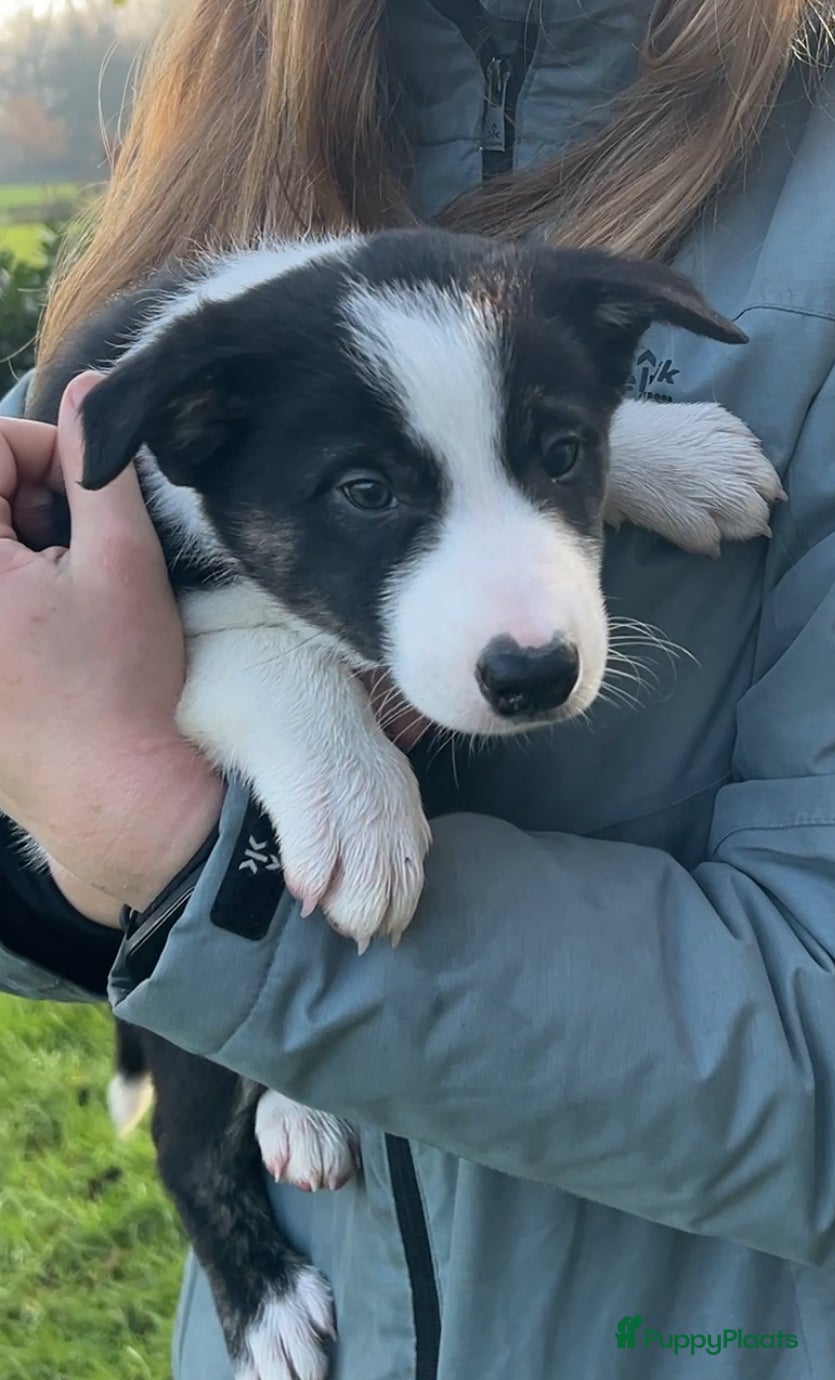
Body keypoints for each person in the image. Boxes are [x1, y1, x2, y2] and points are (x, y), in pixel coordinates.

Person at [2, 1, 835, 1375]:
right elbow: (97, 656)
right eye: (373, 490)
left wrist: (193, 863)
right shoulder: (181, 282)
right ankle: (225, 1215)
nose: (530, 630)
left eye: (565, 446)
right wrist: (118, 831)